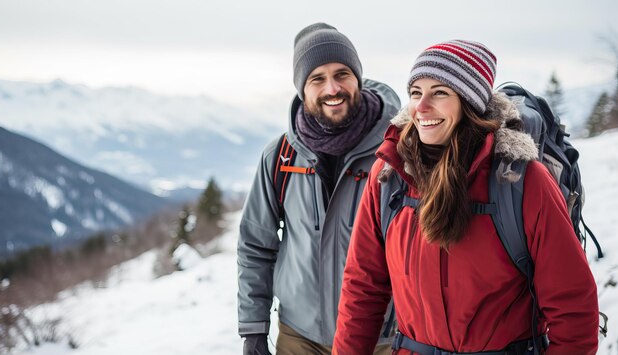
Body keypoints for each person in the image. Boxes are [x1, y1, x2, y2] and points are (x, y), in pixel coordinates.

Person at [333, 40, 599, 354]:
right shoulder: (389, 176)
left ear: (469, 103)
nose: (421, 106)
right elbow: (362, 289)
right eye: (416, 93)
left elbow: (574, 313)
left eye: (440, 92)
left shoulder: (521, 182)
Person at [237, 23, 401, 355]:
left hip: (382, 337)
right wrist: (254, 330)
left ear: (358, 78)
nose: (332, 88)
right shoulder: (280, 157)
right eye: (317, 78)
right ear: (302, 88)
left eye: (342, 74)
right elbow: (256, 245)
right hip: (301, 336)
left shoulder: (398, 150)